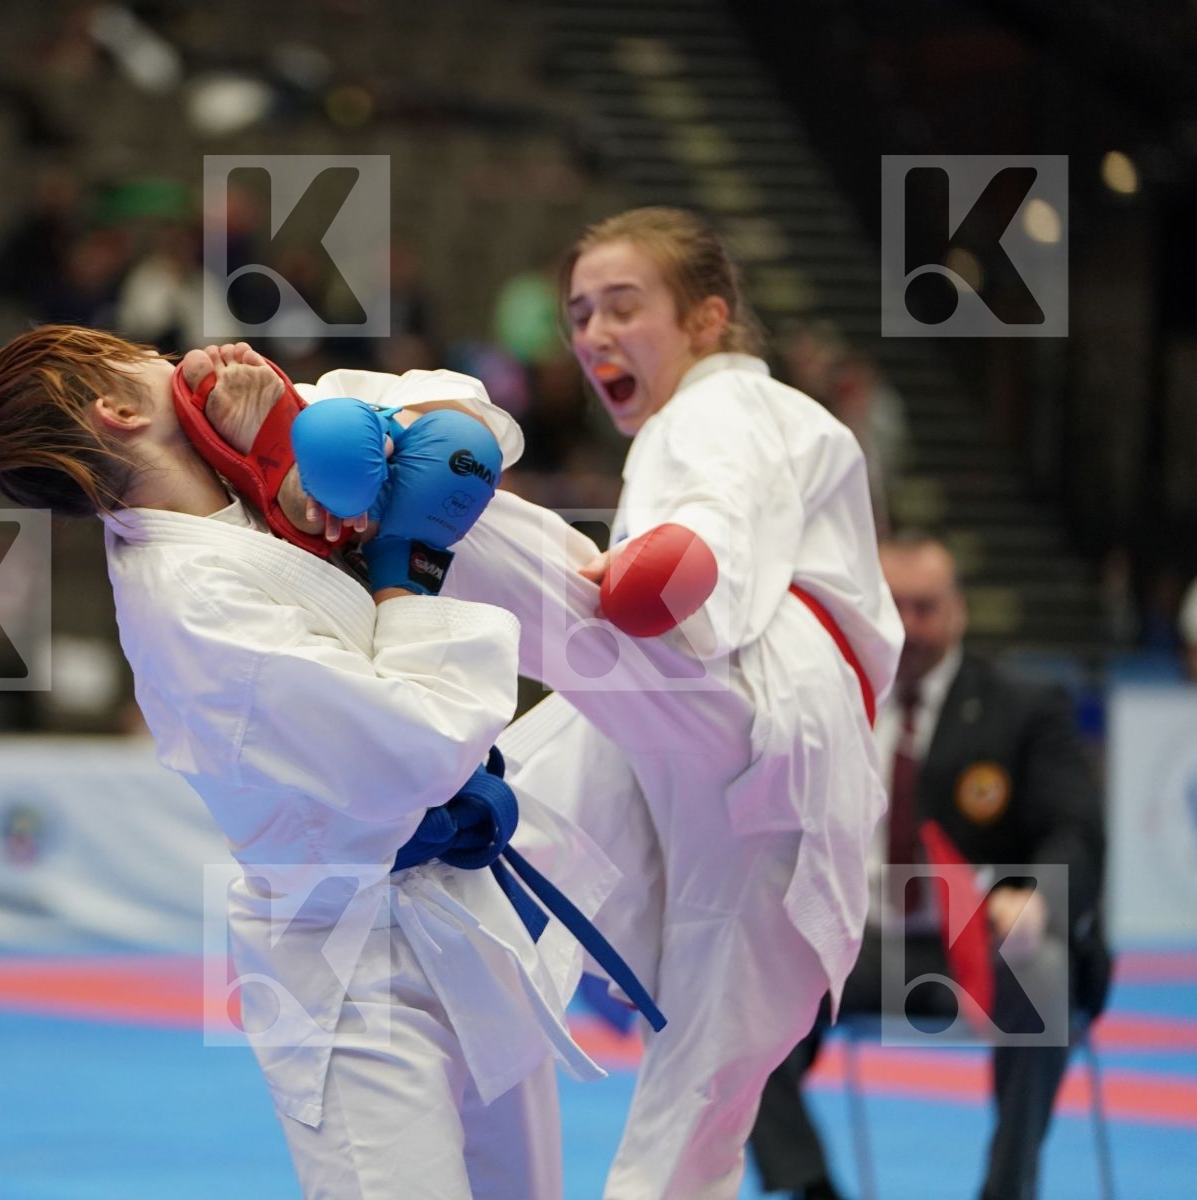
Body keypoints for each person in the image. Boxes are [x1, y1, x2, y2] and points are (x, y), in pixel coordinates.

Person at [187, 206, 902, 1199]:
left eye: (623, 306)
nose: (595, 334)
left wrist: (676, 566)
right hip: (767, 765)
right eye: (578, 315)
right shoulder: (701, 421)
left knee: (549, 582)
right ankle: (368, 476)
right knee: (692, 1093)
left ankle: (337, 439)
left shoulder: (728, 406)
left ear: (708, 319)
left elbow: (714, 523)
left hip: (755, 680)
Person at [0, 327, 631, 1200]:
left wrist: (309, 437)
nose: (181, 355)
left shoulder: (248, 450)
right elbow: (416, 744)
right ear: (117, 411)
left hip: (460, 911)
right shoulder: (192, 603)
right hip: (352, 961)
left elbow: (469, 419)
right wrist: (406, 564)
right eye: (147, 353)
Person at [748, 530, 1111, 1200]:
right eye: (897, 606)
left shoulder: (1024, 708)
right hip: (852, 947)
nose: (911, 626)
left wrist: (1037, 900)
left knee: (1047, 971)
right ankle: (808, 1186)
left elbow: (1076, 830)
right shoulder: (824, 699)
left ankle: (1008, 1186)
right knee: (738, 973)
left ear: (959, 610)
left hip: (975, 950)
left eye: (927, 607)